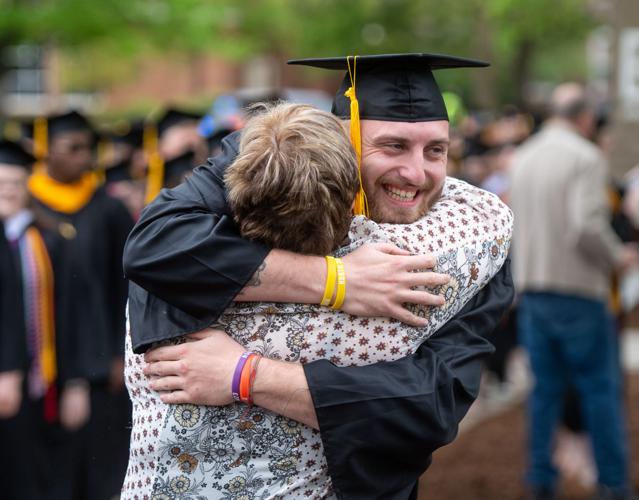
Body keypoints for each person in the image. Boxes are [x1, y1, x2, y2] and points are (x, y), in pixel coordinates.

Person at [124, 53, 515, 499]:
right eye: (392, 146)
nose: (416, 172)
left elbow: (429, 408)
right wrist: (336, 281)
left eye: (436, 150)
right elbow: (153, 246)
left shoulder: (471, 245)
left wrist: (245, 375)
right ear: (341, 139)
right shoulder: (269, 161)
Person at [510, 82, 637, 500]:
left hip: (533, 293)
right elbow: (586, 225)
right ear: (583, 117)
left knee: (544, 393)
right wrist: (617, 256)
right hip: (580, 291)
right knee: (599, 390)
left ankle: (541, 480)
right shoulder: (586, 157)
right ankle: (614, 484)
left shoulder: (522, 157)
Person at [27, 112, 134, 499]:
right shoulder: (25, 208)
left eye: (89, 149)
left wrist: (122, 353)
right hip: (37, 364)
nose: (84, 157)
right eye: (72, 148)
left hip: (100, 361)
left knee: (99, 462)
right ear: (46, 150)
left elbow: (123, 288)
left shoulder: (107, 209)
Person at [0, 139, 88, 499]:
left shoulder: (51, 240)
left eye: (14, 183)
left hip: (43, 382)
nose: (7, 191)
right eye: (0, 183)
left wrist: (76, 382)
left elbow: (74, 315)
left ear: (28, 187)